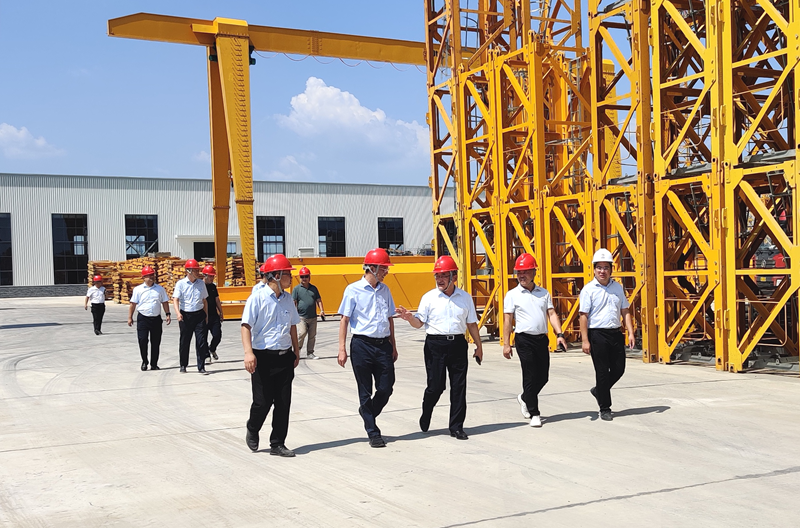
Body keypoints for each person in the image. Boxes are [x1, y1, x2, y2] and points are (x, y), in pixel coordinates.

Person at [396, 255, 482, 440]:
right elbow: (419, 323)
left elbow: (472, 324)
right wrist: (410, 318)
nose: (440, 279)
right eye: (437, 276)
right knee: (436, 386)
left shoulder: (465, 298)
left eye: (444, 275)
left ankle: (456, 427)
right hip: (435, 345)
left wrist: (479, 346)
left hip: (458, 344)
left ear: (454, 276)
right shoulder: (429, 298)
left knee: (459, 387)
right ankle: (427, 410)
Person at [337, 248, 398, 448]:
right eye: (384, 268)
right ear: (372, 268)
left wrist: (393, 345)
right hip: (361, 346)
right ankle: (373, 432)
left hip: (383, 345)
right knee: (365, 390)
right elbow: (344, 320)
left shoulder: (385, 290)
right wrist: (342, 349)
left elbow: (390, 319)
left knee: (386, 387)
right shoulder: (353, 290)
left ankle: (367, 411)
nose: (386, 272)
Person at [241, 254, 301, 457]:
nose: (291, 277)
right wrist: (248, 353)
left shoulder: (288, 300)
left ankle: (277, 443)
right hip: (262, 358)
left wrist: (296, 351)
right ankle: (253, 427)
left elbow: (293, 326)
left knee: (283, 403)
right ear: (276, 275)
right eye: (287, 274)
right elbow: (246, 326)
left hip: (284, 357)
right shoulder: (257, 298)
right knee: (262, 402)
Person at [502, 253, 568, 427]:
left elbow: (551, 314)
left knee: (543, 376)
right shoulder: (512, 295)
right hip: (523, 340)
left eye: (525, 272)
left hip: (541, 339)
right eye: (519, 272)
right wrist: (507, 344)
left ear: (534, 272)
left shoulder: (543, 293)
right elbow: (507, 320)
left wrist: (560, 334)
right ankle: (534, 413)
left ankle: (525, 397)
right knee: (529, 375)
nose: (521, 275)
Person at [579, 248, 636, 421]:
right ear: (594, 269)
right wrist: (585, 340)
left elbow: (625, 310)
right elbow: (583, 316)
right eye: (599, 267)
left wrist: (631, 332)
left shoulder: (617, 287)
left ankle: (599, 390)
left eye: (606, 267)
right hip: (597, 335)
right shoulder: (588, 290)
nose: (602, 271)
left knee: (619, 369)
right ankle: (605, 408)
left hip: (615, 333)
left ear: (611, 269)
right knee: (602, 371)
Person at [128, 266, 171, 371]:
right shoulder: (138, 290)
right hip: (143, 318)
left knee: (156, 342)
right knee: (142, 340)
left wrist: (168, 314)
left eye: (152, 275)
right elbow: (133, 304)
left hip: (156, 319)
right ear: (143, 277)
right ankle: (144, 361)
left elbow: (164, 302)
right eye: (148, 276)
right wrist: (130, 317)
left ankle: (154, 364)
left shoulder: (160, 289)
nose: (151, 277)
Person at [172, 259, 209, 374]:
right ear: (188, 271)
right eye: (195, 270)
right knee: (185, 341)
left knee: (201, 341)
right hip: (186, 316)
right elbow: (175, 299)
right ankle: (183, 365)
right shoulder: (181, 284)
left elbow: (205, 301)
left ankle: (201, 366)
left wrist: (206, 315)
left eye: (198, 270)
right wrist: (178, 313)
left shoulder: (201, 284)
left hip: (199, 315)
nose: (197, 272)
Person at [292, 266, 324, 360]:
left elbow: (318, 300)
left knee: (312, 336)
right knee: (301, 333)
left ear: (309, 277)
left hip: (313, 317)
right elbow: (294, 302)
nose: (304, 278)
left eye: (306, 276)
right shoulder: (296, 289)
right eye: (302, 277)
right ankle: (296, 351)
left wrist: (322, 310)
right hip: (301, 317)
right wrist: (293, 314)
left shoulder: (314, 288)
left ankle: (310, 353)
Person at [202, 264, 224, 362]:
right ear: (205, 275)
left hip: (213, 315)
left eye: (213, 276)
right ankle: (206, 355)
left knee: (217, 335)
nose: (212, 278)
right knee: (203, 337)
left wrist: (221, 312)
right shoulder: (200, 286)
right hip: (203, 315)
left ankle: (212, 348)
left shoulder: (213, 287)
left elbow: (217, 300)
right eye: (210, 276)